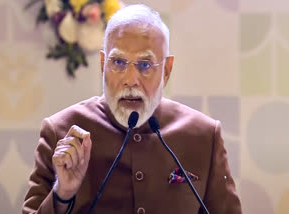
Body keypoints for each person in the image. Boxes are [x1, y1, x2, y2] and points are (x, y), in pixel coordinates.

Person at [23, 4, 242, 214]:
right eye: (118, 62)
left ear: (166, 70)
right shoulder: (60, 133)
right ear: (102, 65)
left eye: (145, 65)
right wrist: (62, 194)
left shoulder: (204, 136)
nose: (130, 80)